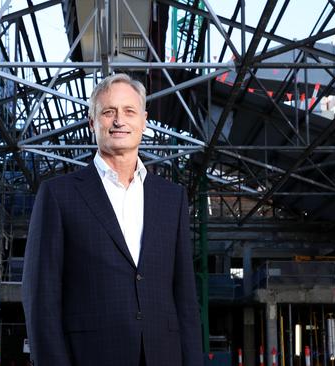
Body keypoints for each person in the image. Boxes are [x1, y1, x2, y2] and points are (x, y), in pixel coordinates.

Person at [22, 73, 202, 366]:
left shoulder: (172, 198)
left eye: (129, 111)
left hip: (163, 355)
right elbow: (40, 299)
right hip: (90, 355)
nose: (119, 121)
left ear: (143, 121)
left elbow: (184, 297)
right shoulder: (58, 195)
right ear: (92, 122)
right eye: (109, 112)